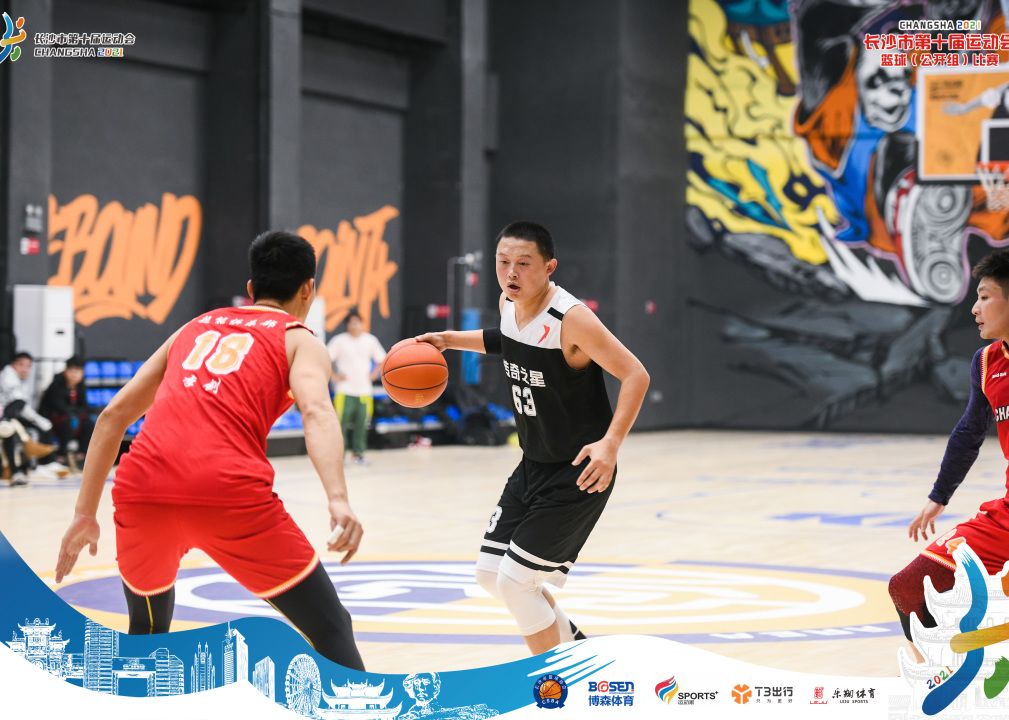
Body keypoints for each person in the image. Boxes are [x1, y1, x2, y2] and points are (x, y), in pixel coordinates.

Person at [55, 231, 366, 670]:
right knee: (330, 628)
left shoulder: (193, 327)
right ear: (308, 289)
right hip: (228, 493)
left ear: (251, 289)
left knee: (146, 630)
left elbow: (112, 417)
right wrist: (337, 498)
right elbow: (316, 411)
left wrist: (85, 514)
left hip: (142, 488)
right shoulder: (300, 340)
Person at [416, 221, 650, 654]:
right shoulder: (509, 304)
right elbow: (505, 340)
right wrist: (449, 339)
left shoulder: (571, 319)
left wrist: (611, 444)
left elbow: (636, 374)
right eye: (503, 261)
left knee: (516, 582)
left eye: (524, 263)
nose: (511, 272)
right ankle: (578, 651)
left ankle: (553, 683)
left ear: (549, 267)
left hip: (579, 471)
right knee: (491, 576)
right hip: (533, 464)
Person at [890, 248, 1009, 662]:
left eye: (985, 296)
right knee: (909, 589)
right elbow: (968, 432)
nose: (974, 308)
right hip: (1006, 518)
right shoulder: (987, 363)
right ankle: (936, 685)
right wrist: (938, 496)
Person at [327, 309, 385, 465]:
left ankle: (358, 454)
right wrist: (333, 375)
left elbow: (382, 359)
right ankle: (339, 456)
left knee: (362, 424)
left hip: (364, 391)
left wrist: (374, 374)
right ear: (347, 325)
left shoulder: (370, 340)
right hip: (344, 391)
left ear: (362, 324)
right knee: (341, 424)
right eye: (352, 323)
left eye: (357, 322)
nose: (355, 325)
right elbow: (324, 358)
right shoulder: (339, 341)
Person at [0, 351, 58, 485]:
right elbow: (19, 403)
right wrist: (40, 421)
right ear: (13, 365)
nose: (25, 369)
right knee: (13, 423)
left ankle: (25, 468)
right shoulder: (8, 376)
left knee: (10, 427)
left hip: (5, 417)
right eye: (21, 365)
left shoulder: (17, 380)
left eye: (28, 366)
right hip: (5, 415)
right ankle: (33, 459)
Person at [39, 355, 93, 470]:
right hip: (53, 420)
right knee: (67, 421)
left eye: (78, 371)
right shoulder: (56, 384)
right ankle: (61, 456)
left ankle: (81, 455)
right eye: (72, 371)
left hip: (73, 417)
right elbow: (58, 407)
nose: (74, 374)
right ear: (66, 371)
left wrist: (77, 414)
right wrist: (75, 414)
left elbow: (84, 406)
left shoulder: (81, 386)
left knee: (89, 423)